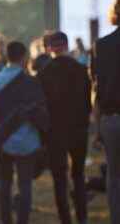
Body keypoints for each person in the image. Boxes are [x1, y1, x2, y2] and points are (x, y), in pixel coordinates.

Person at [0, 41, 49, 224]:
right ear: (24, 57)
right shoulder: (32, 82)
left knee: (4, 185)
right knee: (25, 185)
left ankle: (6, 220)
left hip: (3, 142)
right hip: (28, 141)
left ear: (6, 56)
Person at [37, 32, 91, 224]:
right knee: (78, 175)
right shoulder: (80, 68)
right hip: (78, 129)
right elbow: (88, 103)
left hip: (55, 132)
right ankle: (82, 217)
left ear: (49, 47)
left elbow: (41, 106)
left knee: (59, 179)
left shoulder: (43, 73)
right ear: (66, 46)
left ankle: (65, 219)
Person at [90, 0, 120, 224]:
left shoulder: (101, 45)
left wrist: (97, 125)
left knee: (114, 176)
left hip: (111, 119)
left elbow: (96, 89)